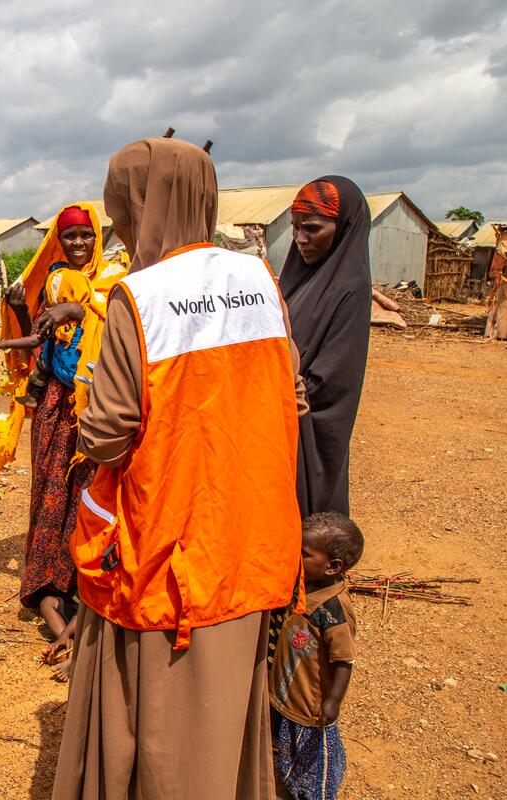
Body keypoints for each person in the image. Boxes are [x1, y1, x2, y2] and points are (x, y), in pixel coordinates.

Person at [52, 137, 303, 800]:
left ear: (143, 206)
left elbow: (106, 437)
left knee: (159, 728)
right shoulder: (260, 281)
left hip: (167, 557)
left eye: (120, 217)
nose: (119, 233)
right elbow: (288, 392)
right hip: (248, 546)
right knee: (224, 717)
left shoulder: (142, 298)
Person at [0, 204, 115, 652]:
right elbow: (45, 337)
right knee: (51, 490)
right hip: (55, 402)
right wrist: (18, 329)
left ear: (97, 237)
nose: (79, 243)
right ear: (59, 242)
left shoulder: (113, 277)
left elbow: (116, 321)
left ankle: (89, 586)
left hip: (95, 403)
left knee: (90, 492)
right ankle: (50, 580)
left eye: (86, 235)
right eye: (70, 237)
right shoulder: (56, 278)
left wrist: (78, 308)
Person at [281, 177, 372, 517]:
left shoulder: (349, 288)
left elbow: (332, 379)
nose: (300, 240)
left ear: (344, 226)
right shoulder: (297, 277)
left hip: (308, 421)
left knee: (304, 515)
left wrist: (280, 390)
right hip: (280, 407)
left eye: (313, 229)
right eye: (295, 228)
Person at [269, 512, 363, 800]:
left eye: (304, 553)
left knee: (316, 761)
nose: (295, 556)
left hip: (311, 706)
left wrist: (332, 701)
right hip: (287, 693)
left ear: (332, 567)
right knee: (286, 748)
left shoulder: (334, 609)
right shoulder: (302, 586)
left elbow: (343, 660)